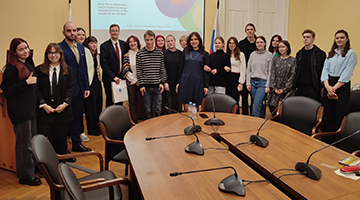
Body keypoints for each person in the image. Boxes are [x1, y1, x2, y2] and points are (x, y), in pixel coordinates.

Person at [0, 38, 41, 186]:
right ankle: (25, 176)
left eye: (26, 48)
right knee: (24, 146)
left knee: (33, 142)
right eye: (21, 49)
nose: (25, 51)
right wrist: (25, 83)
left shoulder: (28, 63)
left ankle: (33, 169)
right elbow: (7, 90)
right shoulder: (11, 67)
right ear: (14, 53)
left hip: (31, 110)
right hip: (20, 112)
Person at [58, 22, 91, 152]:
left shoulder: (81, 48)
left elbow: (83, 69)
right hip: (65, 90)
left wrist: (86, 87)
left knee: (77, 118)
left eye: (74, 30)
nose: (72, 33)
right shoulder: (59, 48)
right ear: (64, 32)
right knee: (65, 120)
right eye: (69, 31)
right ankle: (63, 148)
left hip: (79, 90)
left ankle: (77, 144)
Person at [36, 43, 74, 157]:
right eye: (50, 53)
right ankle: (46, 165)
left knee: (61, 139)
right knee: (44, 140)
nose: (53, 55)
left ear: (60, 54)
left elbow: (70, 88)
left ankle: (61, 163)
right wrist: (43, 104)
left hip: (62, 111)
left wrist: (65, 103)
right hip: (45, 111)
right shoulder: (39, 70)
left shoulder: (68, 70)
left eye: (56, 53)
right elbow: (37, 89)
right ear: (47, 55)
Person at [321, 29, 357, 132]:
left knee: (339, 115)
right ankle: (327, 141)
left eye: (342, 37)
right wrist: (328, 87)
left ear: (347, 39)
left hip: (341, 86)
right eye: (337, 38)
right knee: (328, 115)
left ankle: (337, 144)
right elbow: (325, 70)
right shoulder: (331, 53)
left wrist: (334, 89)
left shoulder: (351, 53)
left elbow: (347, 72)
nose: (339, 40)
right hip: (329, 84)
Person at [136, 30, 166, 119]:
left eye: (151, 39)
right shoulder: (140, 53)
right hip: (146, 87)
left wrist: (162, 82)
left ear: (154, 40)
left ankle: (157, 128)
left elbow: (162, 68)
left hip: (157, 86)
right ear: (144, 40)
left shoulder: (159, 53)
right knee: (147, 110)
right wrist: (141, 85)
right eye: (147, 40)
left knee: (158, 109)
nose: (149, 42)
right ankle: (148, 129)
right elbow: (139, 70)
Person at [177, 32, 209, 111]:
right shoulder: (185, 52)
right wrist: (178, 82)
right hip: (185, 81)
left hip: (198, 82)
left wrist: (206, 86)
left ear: (199, 41)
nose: (193, 41)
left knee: (195, 107)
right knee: (186, 106)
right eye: (191, 40)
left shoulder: (205, 54)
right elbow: (180, 68)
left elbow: (206, 72)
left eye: (195, 39)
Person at [100, 24, 128, 107]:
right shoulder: (104, 46)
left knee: (120, 100)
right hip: (109, 78)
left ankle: (119, 119)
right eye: (113, 31)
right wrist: (113, 77)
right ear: (109, 32)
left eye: (116, 31)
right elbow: (104, 64)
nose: (114, 32)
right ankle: (109, 119)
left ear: (119, 32)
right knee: (110, 100)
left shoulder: (124, 44)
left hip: (121, 78)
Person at [294, 29, 326, 102]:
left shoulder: (320, 54)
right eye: (304, 37)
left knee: (312, 109)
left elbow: (322, 71)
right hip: (300, 87)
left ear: (313, 39)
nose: (305, 39)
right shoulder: (299, 53)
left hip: (313, 87)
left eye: (308, 37)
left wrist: (321, 87)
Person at [246, 36, 272, 118]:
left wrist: (268, 85)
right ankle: (261, 122)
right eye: (257, 42)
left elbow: (270, 72)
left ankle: (254, 125)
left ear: (265, 43)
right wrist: (248, 83)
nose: (259, 44)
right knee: (258, 105)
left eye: (261, 42)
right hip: (253, 82)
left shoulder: (269, 55)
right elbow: (248, 70)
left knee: (256, 105)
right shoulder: (253, 54)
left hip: (263, 83)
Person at [268, 40, 296, 114]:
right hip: (275, 88)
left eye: (283, 47)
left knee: (285, 111)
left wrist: (284, 89)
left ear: (287, 48)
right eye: (279, 47)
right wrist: (274, 88)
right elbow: (272, 73)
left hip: (286, 89)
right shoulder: (275, 59)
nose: (281, 49)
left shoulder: (293, 60)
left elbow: (292, 76)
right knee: (272, 109)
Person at [83, 36, 103, 135]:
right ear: (87, 44)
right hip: (89, 82)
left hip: (97, 81)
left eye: (95, 43)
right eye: (91, 43)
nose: (94, 45)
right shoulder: (86, 54)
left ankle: (98, 127)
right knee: (91, 107)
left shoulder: (97, 55)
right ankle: (92, 129)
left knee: (98, 105)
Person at [75, 27, 92, 141]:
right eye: (79, 34)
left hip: (84, 86)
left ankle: (80, 132)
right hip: (73, 86)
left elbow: (89, 68)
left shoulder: (85, 50)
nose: (81, 37)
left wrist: (87, 85)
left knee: (80, 112)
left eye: (83, 35)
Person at [123, 35, 144, 123]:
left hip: (143, 82)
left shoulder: (143, 53)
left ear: (137, 42)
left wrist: (141, 81)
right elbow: (126, 70)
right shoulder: (126, 55)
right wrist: (135, 81)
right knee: (133, 102)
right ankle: (134, 121)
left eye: (134, 41)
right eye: (130, 42)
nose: (132, 43)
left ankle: (144, 120)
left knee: (144, 102)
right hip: (132, 83)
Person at [239, 23, 257, 115]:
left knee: (254, 97)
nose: (250, 31)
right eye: (248, 29)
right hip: (245, 73)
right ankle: (245, 116)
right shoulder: (241, 44)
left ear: (255, 31)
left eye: (251, 29)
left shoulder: (258, 43)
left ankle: (253, 116)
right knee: (244, 97)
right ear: (245, 31)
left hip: (255, 74)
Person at [226, 37, 246, 111]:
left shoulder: (241, 54)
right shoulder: (226, 55)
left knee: (235, 100)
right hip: (228, 78)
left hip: (236, 78)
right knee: (228, 99)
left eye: (233, 43)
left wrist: (241, 82)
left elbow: (243, 69)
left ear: (236, 44)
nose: (231, 45)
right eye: (230, 43)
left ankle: (235, 116)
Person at [163, 34, 182, 112]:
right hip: (167, 82)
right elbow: (162, 68)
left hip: (177, 83)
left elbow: (181, 68)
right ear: (166, 43)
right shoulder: (164, 53)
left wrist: (179, 82)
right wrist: (165, 82)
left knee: (175, 103)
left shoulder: (180, 53)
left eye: (172, 41)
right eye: (168, 41)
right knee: (167, 103)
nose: (170, 43)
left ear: (175, 41)